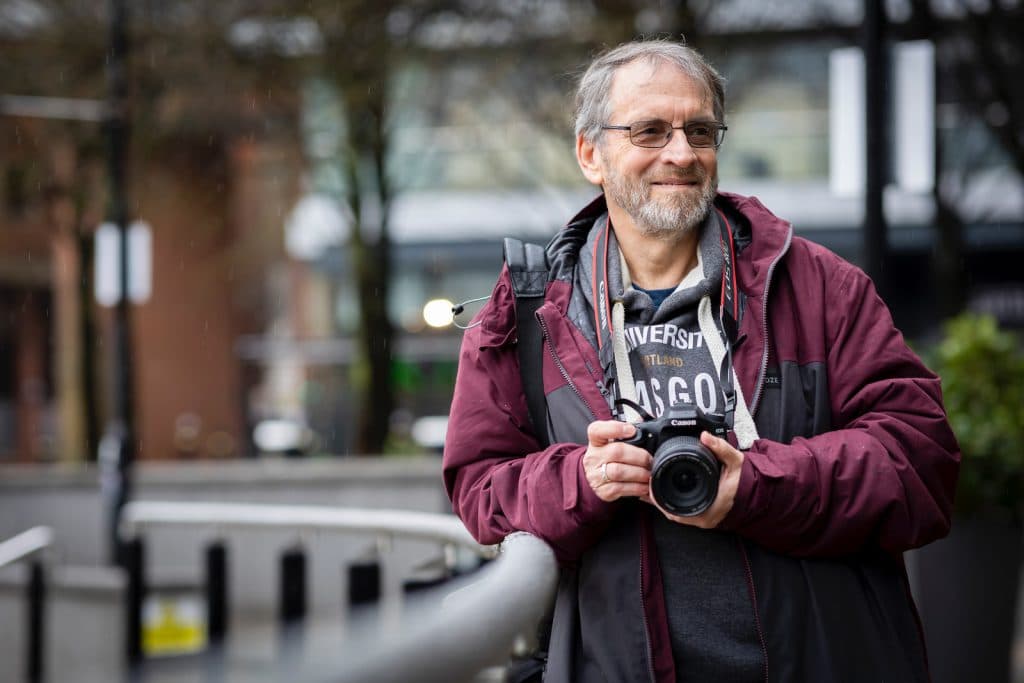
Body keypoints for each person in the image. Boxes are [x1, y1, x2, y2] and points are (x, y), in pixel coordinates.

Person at [443, 38, 960, 683]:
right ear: (590, 154)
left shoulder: (821, 288)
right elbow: (479, 490)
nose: (682, 153)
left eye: (700, 130)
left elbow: (922, 463)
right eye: (650, 131)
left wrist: (758, 487)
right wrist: (585, 479)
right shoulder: (523, 312)